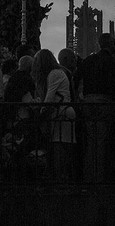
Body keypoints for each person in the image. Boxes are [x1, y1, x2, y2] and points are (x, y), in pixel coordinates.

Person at [80, 32, 115, 182]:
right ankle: (99, 176)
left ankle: (88, 175)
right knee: (102, 140)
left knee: (91, 141)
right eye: (114, 43)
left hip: (88, 101)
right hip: (103, 101)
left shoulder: (88, 60)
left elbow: (78, 79)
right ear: (109, 45)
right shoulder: (111, 61)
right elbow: (112, 83)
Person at [42, 49, 76, 181]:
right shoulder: (60, 72)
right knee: (65, 146)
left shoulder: (54, 73)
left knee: (59, 146)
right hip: (65, 111)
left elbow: (50, 97)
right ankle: (64, 177)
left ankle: (59, 178)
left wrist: (41, 111)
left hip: (61, 113)